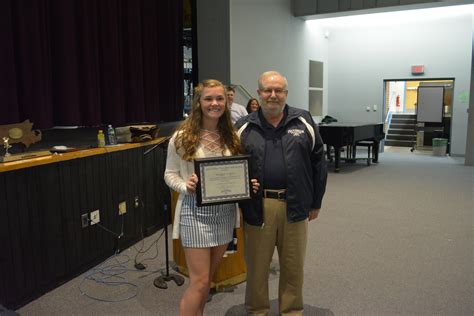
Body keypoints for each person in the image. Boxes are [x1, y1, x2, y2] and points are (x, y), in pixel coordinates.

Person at [235, 71, 327, 315]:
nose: (273, 95)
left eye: (278, 91)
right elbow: (231, 164)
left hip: (295, 205)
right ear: (259, 93)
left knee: (293, 266)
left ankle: (291, 311)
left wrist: (315, 202)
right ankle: (256, 310)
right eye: (267, 90)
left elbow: (319, 161)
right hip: (258, 206)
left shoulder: (303, 120)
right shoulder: (244, 125)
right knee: (257, 266)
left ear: (286, 93)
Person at [164, 79, 259, 316]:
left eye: (219, 99)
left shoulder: (232, 136)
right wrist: (186, 186)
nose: (214, 103)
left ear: (226, 102)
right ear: (199, 102)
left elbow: (233, 173)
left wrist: (247, 184)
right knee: (198, 282)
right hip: (195, 214)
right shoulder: (182, 137)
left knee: (208, 282)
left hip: (225, 215)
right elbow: (169, 174)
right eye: (208, 99)